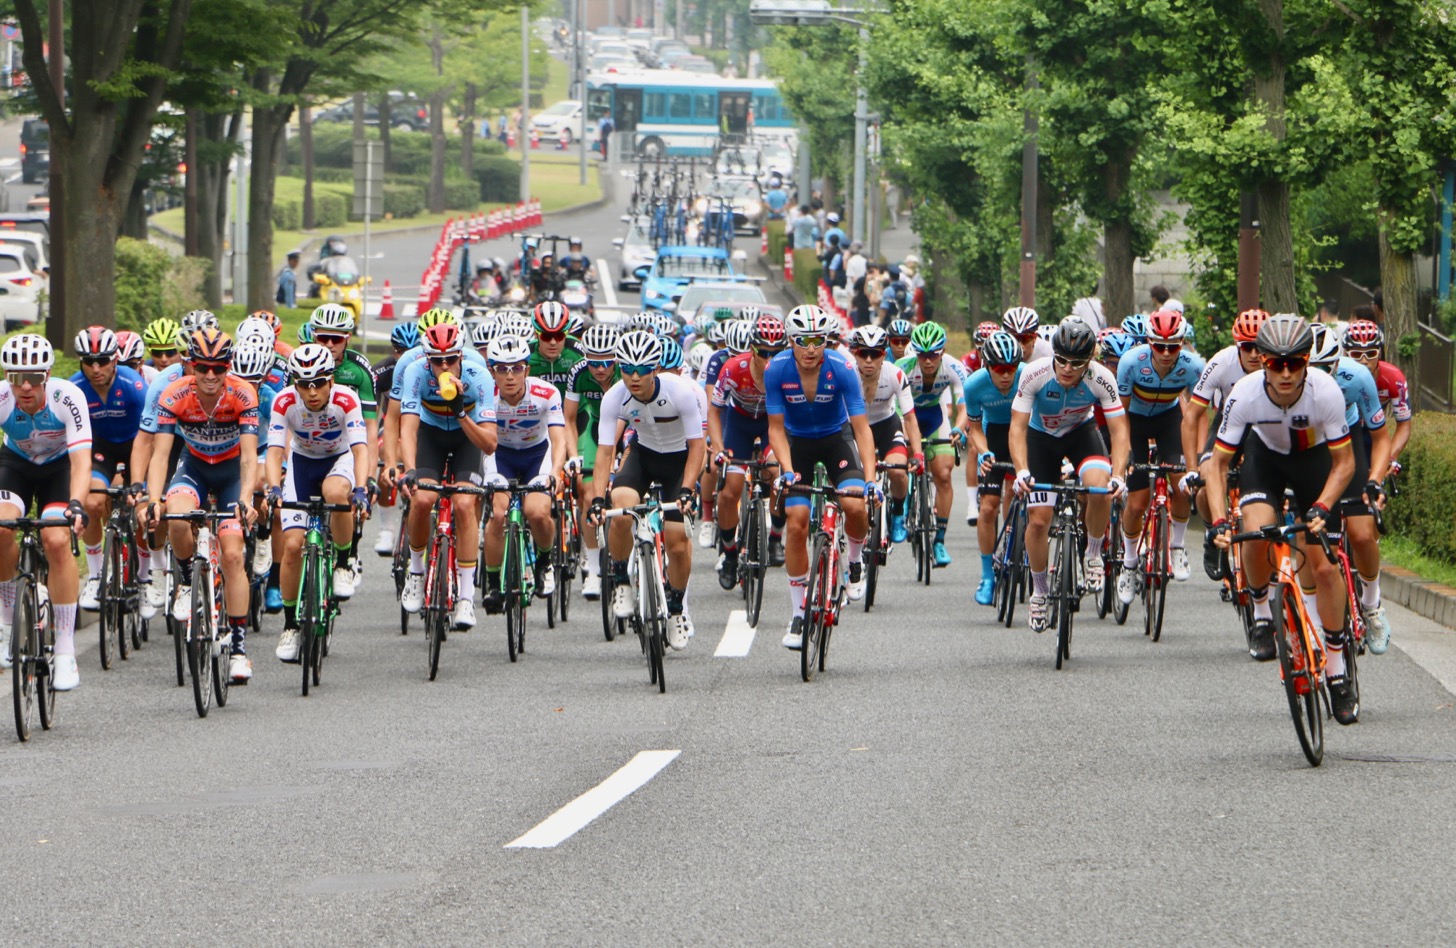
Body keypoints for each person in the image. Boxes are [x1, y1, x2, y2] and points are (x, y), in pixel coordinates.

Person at [1207, 315, 1358, 723]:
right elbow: (1218, 465)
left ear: (1308, 361)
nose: (1287, 373)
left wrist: (1323, 507)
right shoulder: (1244, 394)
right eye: (1276, 363)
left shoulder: (1324, 391)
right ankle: (1260, 614)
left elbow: (1344, 464)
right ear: (1263, 362)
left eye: (1296, 362)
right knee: (1254, 533)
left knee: (1324, 567)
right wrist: (1220, 520)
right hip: (1266, 460)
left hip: (1315, 464)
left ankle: (1337, 669)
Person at [141, 329, 260, 683]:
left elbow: (251, 457)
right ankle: (187, 583)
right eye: (203, 367)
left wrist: (245, 499)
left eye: (219, 368)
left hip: (230, 475)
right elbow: (160, 455)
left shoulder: (243, 393)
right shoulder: (173, 394)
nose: (211, 376)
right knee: (177, 516)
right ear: (191, 365)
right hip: (193, 469)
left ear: (228, 367)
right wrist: (153, 500)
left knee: (234, 555)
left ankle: (238, 649)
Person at [765, 305, 878, 648]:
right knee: (797, 521)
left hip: (835, 439)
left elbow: (861, 428)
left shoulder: (842, 367)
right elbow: (775, 429)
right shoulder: (776, 369)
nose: (811, 348)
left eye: (817, 340)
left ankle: (855, 561)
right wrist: (786, 471)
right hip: (796, 442)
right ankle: (799, 614)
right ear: (791, 341)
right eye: (803, 341)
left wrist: (871, 479)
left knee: (854, 504)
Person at [1009, 320, 1130, 633]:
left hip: (1080, 434)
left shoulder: (1100, 378)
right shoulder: (1034, 373)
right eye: (1061, 360)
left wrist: (1118, 475)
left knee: (1099, 487)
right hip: (1040, 439)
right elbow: (1018, 428)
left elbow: (1118, 431)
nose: (1066, 368)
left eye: (1076, 363)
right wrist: (1021, 469)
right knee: (1038, 519)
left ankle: (1092, 554)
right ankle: (1039, 590)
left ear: (1089, 361)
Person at [591, 330, 705, 650]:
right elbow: (604, 452)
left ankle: (677, 607)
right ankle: (622, 581)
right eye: (627, 369)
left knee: (677, 541)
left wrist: (686, 489)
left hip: (679, 461)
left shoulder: (681, 392)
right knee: (621, 505)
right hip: (644, 456)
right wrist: (598, 497)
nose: (634, 377)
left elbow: (698, 447)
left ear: (655, 368)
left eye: (642, 369)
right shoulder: (615, 396)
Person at [265, 344, 369, 663]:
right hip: (302, 463)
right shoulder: (284, 402)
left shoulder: (345, 399)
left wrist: (361, 488)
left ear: (331, 381)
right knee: (293, 546)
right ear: (293, 383)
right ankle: (291, 625)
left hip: (338, 460)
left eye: (319, 383)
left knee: (335, 493)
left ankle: (342, 563)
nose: (312, 392)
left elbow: (361, 449)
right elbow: (274, 451)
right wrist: (273, 487)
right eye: (303, 384)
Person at [0, 335, 92, 691]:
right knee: (3, 527)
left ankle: (66, 650)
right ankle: (8, 621)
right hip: (15, 465)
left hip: (59, 469)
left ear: (48, 375)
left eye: (34, 378)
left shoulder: (67, 397)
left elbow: (82, 460)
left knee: (55, 537)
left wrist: (77, 504)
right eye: (15, 376)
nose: (25, 386)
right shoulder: (4, 398)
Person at [397, 322, 498, 630]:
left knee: (465, 505)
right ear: (427, 358)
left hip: (467, 437)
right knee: (423, 498)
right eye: (436, 361)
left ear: (461, 357)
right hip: (431, 434)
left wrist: (461, 412)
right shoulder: (415, 372)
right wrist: (410, 470)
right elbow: (409, 427)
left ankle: (466, 598)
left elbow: (490, 444)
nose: (444, 366)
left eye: (450, 359)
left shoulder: (479, 376)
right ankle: (416, 573)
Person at [1112, 309, 1204, 605]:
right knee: (1137, 502)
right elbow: (1120, 413)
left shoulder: (1193, 366)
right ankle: (1128, 563)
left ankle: (1176, 546)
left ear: (1182, 344)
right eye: (1159, 346)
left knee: (1182, 483)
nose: (1166, 353)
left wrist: (1197, 457)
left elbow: (1199, 414)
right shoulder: (1130, 363)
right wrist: (1124, 451)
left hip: (1169, 420)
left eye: (1173, 346)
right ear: (1149, 343)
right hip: (1134, 423)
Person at [481, 335, 567, 613]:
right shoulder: (485, 396)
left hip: (537, 455)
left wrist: (554, 473)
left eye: (516, 368)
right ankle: (493, 584)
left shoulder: (546, 393)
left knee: (538, 511)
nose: (509, 376)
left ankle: (544, 562)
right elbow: (483, 443)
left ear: (527, 370)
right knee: (497, 513)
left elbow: (558, 438)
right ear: (491, 370)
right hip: (500, 454)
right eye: (501, 369)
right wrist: (488, 477)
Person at [1183, 308, 1269, 579]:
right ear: (1236, 345)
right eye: (1247, 347)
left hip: (1265, 425)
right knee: (1206, 482)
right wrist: (1192, 467)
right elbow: (1192, 416)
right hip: (1229, 424)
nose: (1254, 354)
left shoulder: (1279, 363)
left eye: (1259, 347)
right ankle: (1213, 532)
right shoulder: (1222, 362)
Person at [71, 328, 148, 616]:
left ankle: (144, 577)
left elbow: (149, 434)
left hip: (135, 446)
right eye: (89, 361)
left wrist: (137, 479)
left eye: (102, 361)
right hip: (99, 449)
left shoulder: (134, 385)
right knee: (90, 502)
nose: (95, 369)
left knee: (141, 506)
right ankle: (94, 577)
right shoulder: (75, 387)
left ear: (114, 360)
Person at [709, 314, 788, 590]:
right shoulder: (733, 369)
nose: (769, 360)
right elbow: (715, 410)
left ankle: (776, 537)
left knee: (778, 474)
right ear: (751, 348)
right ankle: (730, 555)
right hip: (738, 425)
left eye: (776, 353)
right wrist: (718, 448)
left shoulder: (789, 370)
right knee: (730, 490)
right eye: (762, 352)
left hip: (771, 426)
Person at [897, 322, 969, 567]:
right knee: (903, 458)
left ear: (943, 351)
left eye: (934, 355)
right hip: (907, 415)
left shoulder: (953, 368)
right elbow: (897, 410)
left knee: (944, 475)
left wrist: (959, 427)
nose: (928, 361)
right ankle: (904, 500)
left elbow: (964, 406)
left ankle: (939, 540)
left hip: (935, 417)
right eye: (923, 355)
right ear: (915, 353)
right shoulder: (902, 368)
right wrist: (908, 441)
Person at [964, 331, 1024, 605]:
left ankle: (1023, 546)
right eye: (999, 369)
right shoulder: (974, 385)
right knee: (988, 507)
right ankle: (987, 576)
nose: (1006, 375)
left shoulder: (1028, 376)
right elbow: (974, 429)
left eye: (1011, 368)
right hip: (993, 436)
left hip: (1023, 433)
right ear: (986, 366)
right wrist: (984, 451)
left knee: (1021, 492)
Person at [847, 324, 922, 545]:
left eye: (875, 354)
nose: (868, 360)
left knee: (898, 471)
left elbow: (909, 417)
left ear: (884, 354)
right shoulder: (847, 373)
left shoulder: (895, 374)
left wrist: (917, 454)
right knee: (853, 479)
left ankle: (898, 513)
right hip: (854, 428)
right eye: (863, 354)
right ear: (855, 353)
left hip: (886, 425)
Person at [563, 324, 620, 600]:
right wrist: (574, 455)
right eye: (594, 362)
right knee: (587, 494)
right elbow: (569, 419)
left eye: (607, 362)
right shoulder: (578, 372)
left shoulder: (626, 373)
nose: (600, 368)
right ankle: (594, 571)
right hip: (595, 428)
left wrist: (616, 460)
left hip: (627, 428)